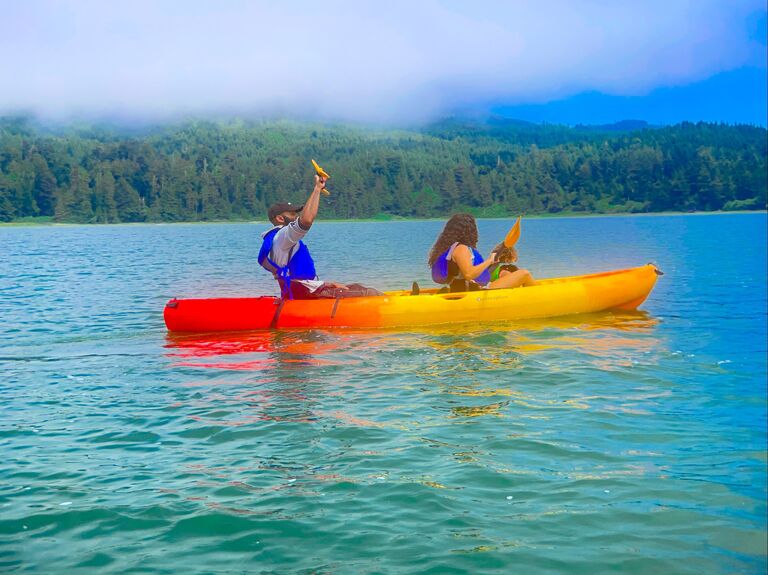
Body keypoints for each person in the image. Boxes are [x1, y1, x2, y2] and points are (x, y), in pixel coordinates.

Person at [258, 174, 382, 299]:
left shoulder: (279, 239)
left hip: (307, 289)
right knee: (370, 294)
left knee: (356, 287)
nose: (296, 217)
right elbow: (305, 221)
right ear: (280, 218)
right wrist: (317, 189)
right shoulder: (282, 237)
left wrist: (327, 284)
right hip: (306, 295)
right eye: (292, 214)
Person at [428, 213, 536, 292]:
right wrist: (489, 261)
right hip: (479, 291)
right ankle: (537, 299)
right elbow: (469, 274)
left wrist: (494, 258)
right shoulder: (461, 249)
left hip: (467, 289)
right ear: (469, 230)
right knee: (524, 274)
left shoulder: (450, 248)